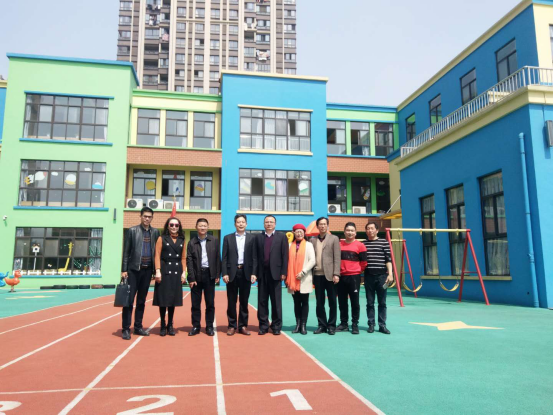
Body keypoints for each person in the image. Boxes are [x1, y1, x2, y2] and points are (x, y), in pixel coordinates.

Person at [120, 207, 160, 340]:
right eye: (145, 216)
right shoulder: (132, 231)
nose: (147, 219)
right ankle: (126, 329)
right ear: (141, 216)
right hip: (133, 270)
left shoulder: (155, 232)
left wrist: (156, 269)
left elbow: (157, 252)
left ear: (152, 218)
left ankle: (138, 327)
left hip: (147, 271)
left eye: (149, 217)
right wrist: (124, 269)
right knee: (129, 300)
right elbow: (126, 251)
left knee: (141, 301)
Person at [251, 215, 289, 335]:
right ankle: (263, 325)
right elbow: (255, 257)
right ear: (263, 224)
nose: (269, 224)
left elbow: (285, 256)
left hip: (276, 274)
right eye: (266, 222)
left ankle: (276, 326)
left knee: (276, 301)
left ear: (275, 224)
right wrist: (254, 273)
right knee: (262, 301)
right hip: (262, 274)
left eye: (271, 222)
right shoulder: (258, 237)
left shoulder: (281, 237)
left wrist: (284, 272)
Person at [186, 218, 221, 336]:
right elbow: (189, 261)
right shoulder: (191, 242)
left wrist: (217, 274)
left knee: (210, 303)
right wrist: (191, 278)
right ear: (196, 227)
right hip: (196, 276)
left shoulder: (214, 240)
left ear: (208, 227)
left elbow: (217, 258)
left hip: (209, 275)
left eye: (204, 225)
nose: (202, 227)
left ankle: (209, 326)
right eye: (200, 225)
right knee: (195, 303)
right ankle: (196, 326)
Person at [222, 214, 256, 336]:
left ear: (246, 224)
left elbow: (254, 257)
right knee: (231, 301)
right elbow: (224, 257)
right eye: (238, 222)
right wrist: (224, 273)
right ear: (235, 224)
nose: (240, 224)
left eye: (243, 222)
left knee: (244, 301)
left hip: (246, 272)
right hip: (232, 273)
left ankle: (243, 326)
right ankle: (232, 325)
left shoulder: (252, 238)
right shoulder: (227, 238)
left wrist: (254, 273)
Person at [153, 217, 186, 336]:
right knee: (163, 299)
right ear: (167, 226)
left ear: (179, 227)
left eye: (176, 225)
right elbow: (157, 255)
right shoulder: (161, 238)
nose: (174, 227)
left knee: (172, 299)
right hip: (164, 270)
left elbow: (183, 257)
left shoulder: (182, 239)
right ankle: (162, 324)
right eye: (171, 225)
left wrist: (184, 272)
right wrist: (157, 271)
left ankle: (170, 324)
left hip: (176, 271)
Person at [310, 217, 341, 335]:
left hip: (330, 275)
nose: (322, 226)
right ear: (317, 226)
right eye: (320, 224)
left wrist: (336, 273)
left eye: (324, 224)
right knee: (319, 302)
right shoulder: (312, 240)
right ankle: (322, 325)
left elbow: (337, 257)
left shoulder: (334, 238)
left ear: (327, 226)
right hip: (317, 275)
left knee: (332, 301)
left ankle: (331, 325)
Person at [336, 222, 367, 335]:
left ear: (355, 233)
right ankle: (344, 323)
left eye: (352, 231)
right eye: (348, 230)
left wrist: (356, 271)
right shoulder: (338, 244)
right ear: (344, 232)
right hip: (341, 277)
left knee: (355, 301)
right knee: (342, 301)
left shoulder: (360, 245)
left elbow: (364, 263)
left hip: (354, 277)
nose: (350, 232)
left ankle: (354, 324)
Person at [363, 222, 393, 334]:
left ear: (377, 230)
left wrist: (390, 274)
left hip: (382, 277)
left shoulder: (384, 242)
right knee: (370, 302)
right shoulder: (363, 244)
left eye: (372, 228)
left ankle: (382, 325)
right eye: (368, 228)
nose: (370, 230)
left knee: (382, 302)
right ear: (366, 231)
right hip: (368, 276)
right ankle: (371, 324)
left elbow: (388, 260)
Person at [286, 224, 316, 335]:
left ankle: (303, 325)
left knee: (305, 302)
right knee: (296, 302)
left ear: (304, 233)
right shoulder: (289, 245)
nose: (299, 233)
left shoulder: (309, 245)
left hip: (304, 277)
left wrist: (303, 272)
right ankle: (297, 324)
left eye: (301, 232)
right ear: (294, 233)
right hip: (293, 278)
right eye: (297, 232)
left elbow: (312, 260)